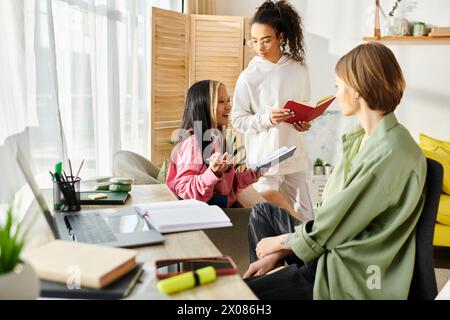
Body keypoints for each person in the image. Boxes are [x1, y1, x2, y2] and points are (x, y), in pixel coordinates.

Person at [243, 42, 427, 300]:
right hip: (333, 242)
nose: (336, 94)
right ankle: (281, 274)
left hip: (345, 267)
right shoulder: (364, 139)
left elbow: (338, 222)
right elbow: (331, 212)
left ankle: (288, 278)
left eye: (338, 86)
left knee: (245, 294)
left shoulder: (390, 152)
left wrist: (282, 244)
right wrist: (283, 248)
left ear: (358, 90)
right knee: (263, 212)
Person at [231, 0, 314, 221]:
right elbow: (238, 120)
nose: (259, 47)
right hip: (264, 159)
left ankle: (306, 255)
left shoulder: (299, 69)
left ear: (281, 38)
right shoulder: (248, 76)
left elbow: (305, 107)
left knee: (306, 217)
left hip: (294, 154)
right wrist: (267, 118)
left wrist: (303, 123)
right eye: (254, 41)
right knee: (272, 219)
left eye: (266, 40)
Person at [166, 80, 261, 208]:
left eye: (228, 100)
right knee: (268, 213)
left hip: (223, 209)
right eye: (221, 102)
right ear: (203, 106)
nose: (229, 106)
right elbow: (183, 189)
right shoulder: (193, 143)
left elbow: (225, 186)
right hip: (206, 216)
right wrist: (212, 173)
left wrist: (249, 176)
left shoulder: (216, 138)